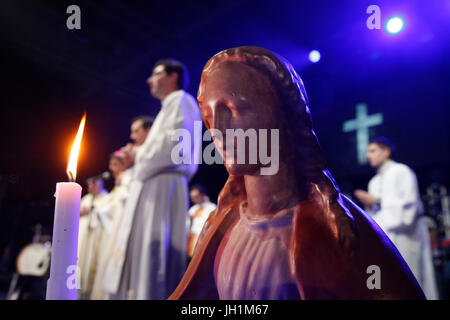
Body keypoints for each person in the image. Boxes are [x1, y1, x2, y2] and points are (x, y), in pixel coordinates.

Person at [169, 46, 425, 300]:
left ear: (282, 117)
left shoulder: (336, 231)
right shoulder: (221, 227)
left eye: (235, 110)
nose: (218, 131)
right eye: (210, 118)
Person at [105, 59, 201, 300]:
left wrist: (138, 153)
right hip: (153, 185)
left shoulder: (181, 101)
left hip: (163, 187)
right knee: (143, 257)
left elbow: (173, 147)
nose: (149, 80)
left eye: (156, 74)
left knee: (154, 258)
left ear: (173, 77)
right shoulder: (167, 108)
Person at [354, 137, 439, 299]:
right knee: (387, 279)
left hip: (407, 235)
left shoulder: (402, 171)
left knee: (411, 278)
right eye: (367, 152)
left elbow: (410, 205)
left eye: (372, 151)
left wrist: (377, 201)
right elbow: (375, 216)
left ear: (386, 151)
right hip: (386, 238)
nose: (368, 155)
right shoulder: (373, 181)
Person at [90, 150, 133, 299]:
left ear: (124, 165)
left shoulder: (128, 180)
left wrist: (102, 211)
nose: (111, 168)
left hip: (118, 233)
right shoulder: (118, 185)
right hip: (109, 233)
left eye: (115, 164)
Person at [77, 177, 108, 299]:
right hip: (83, 237)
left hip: (95, 238)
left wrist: (93, 210)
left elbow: (107, 214)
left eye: (93, 184)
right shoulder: (86, 198)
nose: (90, 187)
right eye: (89, 185)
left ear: (99, 185)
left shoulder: (106, 198)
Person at [186, 184, 216, 263]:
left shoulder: (212, 208)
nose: (194, 199)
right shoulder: (193, 209)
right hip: (192, 240)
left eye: (196, 196)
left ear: (202, 195)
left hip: (204, 239)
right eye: (192, 197)